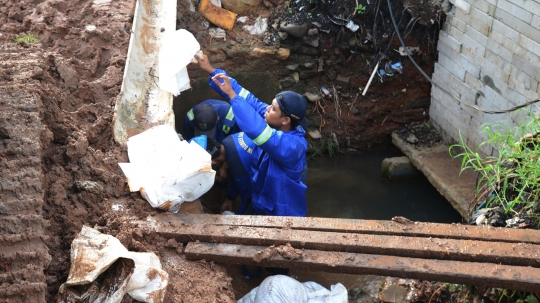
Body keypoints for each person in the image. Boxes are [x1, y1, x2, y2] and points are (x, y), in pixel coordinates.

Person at [195, 53, 309, 217]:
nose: (267, 109)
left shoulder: (292, 147)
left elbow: (258, 131)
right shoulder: (276, 121)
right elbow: (249, 99)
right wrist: (211, 70)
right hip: (263, 198)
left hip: (281, 211)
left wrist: (233, 97)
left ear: (285, 120)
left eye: (273, 108)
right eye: (271, 104)